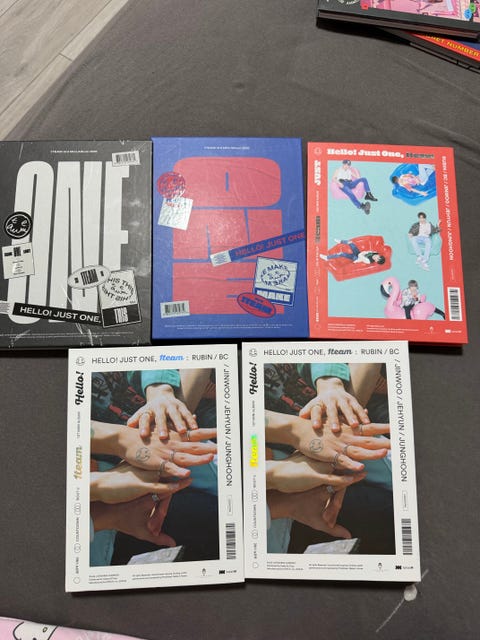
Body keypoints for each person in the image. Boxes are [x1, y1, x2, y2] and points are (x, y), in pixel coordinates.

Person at [320, 239, 385, 265]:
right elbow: (368, 252)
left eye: (377, 259)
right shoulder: (375, 253)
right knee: (351, 242)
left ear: (376, 261)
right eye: (378, 257)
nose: (376, 257)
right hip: (359, 253)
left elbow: (360, 255)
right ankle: (341, 241)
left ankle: (327, 258)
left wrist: (365, 252)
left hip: (356, 258)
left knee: (342, 254)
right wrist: (365, 252)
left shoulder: (368, 261)